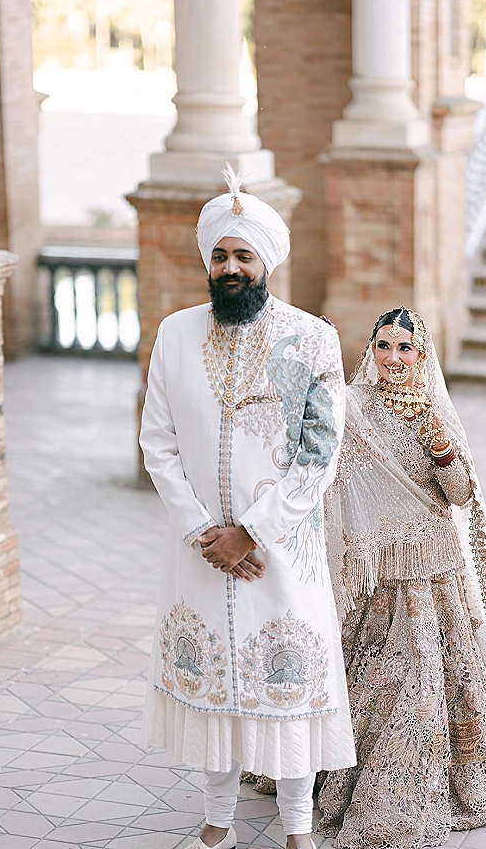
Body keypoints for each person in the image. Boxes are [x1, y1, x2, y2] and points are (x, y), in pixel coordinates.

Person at [138, 165, 356, 849]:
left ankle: (297, 830)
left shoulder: (311, 339)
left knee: (285, 684)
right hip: (201, 551)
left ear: (267, 262)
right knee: (217, 690)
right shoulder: (174, 335)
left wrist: (253, 532)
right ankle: (216, 821)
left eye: (244, 254)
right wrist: (207, 530)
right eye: (220, 255)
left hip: (280, 552)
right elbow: (157, 442)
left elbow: (320, 452)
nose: (230, 267)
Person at [316, 307, 486, 849]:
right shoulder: (353, 407)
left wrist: (440, 447)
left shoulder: (434, 411)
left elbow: (459, 496)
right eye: (382, 346)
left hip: (434, 570)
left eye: (403, 348)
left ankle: (444, 780)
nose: (392, 358)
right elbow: (324, 463)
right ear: (371, 351)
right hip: (379, 575)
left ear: (421, 355)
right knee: (382, 683)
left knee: (432, 679)